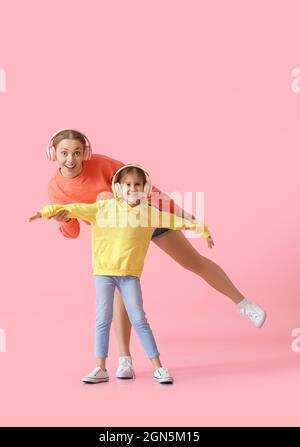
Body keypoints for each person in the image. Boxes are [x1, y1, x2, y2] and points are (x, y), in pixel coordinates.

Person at [46, 129, 267, 379]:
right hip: (117, 236)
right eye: (64, 153)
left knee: (193, 262)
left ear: (85, 152)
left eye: (77, 153)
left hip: (146, 216)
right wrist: (62, 220)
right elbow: (72, 230)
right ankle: (124, 360)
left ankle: (245, 304)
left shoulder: (101, 164)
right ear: (53, 153)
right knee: (119, 285)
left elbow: (145, 187)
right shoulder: (55, 188)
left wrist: (185, 216)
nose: (71, 159)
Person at [30, 164, 212, 384]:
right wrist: (44, 212)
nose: (132, 188)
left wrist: (203, 230)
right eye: (127, 184)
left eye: (137, 184)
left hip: (129, 276)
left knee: (139, 320)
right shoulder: (103, 208)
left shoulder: (150, 214)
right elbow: (73, 207)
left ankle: (159, 367)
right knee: (102, 320)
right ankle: (100, 368)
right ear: (118, 187)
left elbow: (178, 221)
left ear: (145, 189)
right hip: (103, 274)